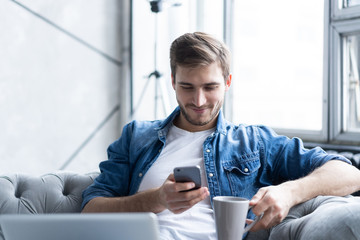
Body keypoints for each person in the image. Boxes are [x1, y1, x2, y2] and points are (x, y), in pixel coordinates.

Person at [81, 32, 360, 240]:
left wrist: (289, 191)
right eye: (187, 87)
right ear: (172, 82)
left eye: (210, 86)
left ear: (227, 82)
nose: (199, 100)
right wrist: (155, 200)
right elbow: (90, 211)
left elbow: (349, 174)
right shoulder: (137, 136)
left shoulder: (254, 142)